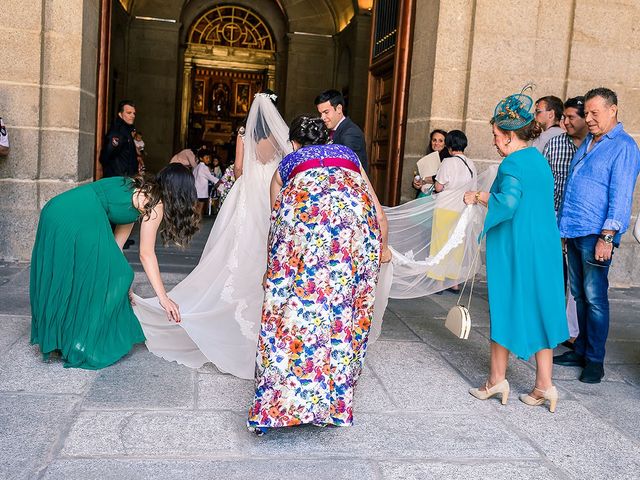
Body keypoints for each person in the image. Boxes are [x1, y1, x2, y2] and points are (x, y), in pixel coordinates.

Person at [132, 93, 293, 379]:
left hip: (249, 192)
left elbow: (241, 169)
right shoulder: (283, 138)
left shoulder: (245, 135)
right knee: (263, 244)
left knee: (236, 248)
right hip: (270, 194)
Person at [247, 115, 389, 434]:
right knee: (340, 321)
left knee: (291, 321)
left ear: (294, 143)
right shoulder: (350, 157)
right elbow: (377, 211)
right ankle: (333, 407)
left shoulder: (288, 165)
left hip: (307, 250)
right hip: (352, 249)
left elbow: (279, 222)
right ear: (326, 139)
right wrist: (381, 249)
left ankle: (276, 409)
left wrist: (272, 270)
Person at [30, 164, 200, 370]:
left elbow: (116, 248)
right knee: (103, 275)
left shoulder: (138, 189)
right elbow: (146, 254)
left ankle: (64, 336)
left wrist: (125, 284)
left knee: (78, 274)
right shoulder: (156, 204)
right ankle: (83, 340)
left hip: (58, 209)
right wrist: (164, 298)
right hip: (77, 216)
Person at [464, 87, 568, 412]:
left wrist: (479, 197)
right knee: (542, 307)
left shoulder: (511, 165)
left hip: (517, 247)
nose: (494, 141)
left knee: (506, 304)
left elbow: (507, 204)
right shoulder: (538, 160)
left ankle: (496, 380)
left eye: (496, 135)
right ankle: (544, 386)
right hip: (545, 246)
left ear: (510, 136)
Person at [554, 87, 640, 383]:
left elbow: (621, 195)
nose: (588, 119)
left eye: (594, 113)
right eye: (586, 113)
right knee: (579, 295)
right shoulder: (590, 140)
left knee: (595, 297)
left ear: (613, 110)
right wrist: (564, 229)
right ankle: (580, 349)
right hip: (575, 227)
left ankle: (594, 361)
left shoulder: (624, 146)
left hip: (597, 233)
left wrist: (607, 236)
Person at [543, 96, 589, 348]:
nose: (565, 122)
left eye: (572, 117)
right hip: (552, 221)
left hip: (579, 222)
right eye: (564, 117)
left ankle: (572, 331)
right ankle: (550, 325)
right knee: (552, 275)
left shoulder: (594, 146)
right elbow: (544, 184)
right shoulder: (555, 143)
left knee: (577, 282)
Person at [427, 130, 477, 290]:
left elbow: (439, 186)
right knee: (457, 244)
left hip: (445, 207)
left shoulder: (447, 162)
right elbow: (473, 188)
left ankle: (439, 281)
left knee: (440, 243)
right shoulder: (471, 164)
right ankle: (454, 282)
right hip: (462, 208)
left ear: (449, 146)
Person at [315, 89, 368, 170]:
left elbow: (350, 167)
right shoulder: (328, 131)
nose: (322, 118)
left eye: (326, 112)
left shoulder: (351, 133)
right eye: (320, 113)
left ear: (339, 108)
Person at [100, 100, 138, 178]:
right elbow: (105, 156)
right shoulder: (117, 132)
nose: (133, 116)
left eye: (134, 113)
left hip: (126, 179)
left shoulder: (127, 131)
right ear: (120, 114)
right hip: (118, 180)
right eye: (129, 113)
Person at [412, 129, 448, 198]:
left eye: (440, 141)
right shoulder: (427, 158)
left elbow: (445, 179)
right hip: (424, 195)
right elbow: (421, 178)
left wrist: (425, 179)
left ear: (445, 144)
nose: (436, 143)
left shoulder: (447, 160)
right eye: (434, 140)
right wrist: (416, 183)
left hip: (438, 198)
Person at [192, 149, 219, 216]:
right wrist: (219, 181)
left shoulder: (196, 167)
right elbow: (210, 177)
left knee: (195, 208)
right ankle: (197, 222)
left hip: (195, 191)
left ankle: (194, 222)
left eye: (209, 158)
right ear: (201, 158)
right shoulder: (204, 167)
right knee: (200, 209)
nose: (208, 159)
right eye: (206, 158)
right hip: (201, 192)